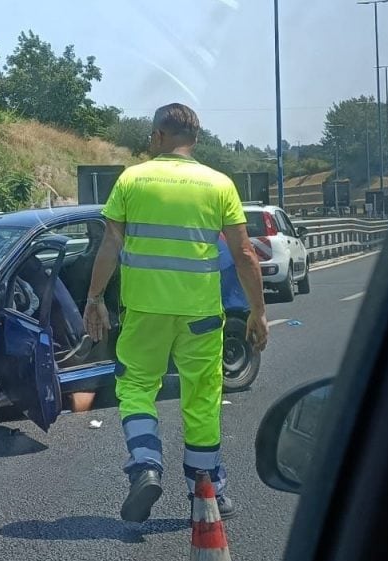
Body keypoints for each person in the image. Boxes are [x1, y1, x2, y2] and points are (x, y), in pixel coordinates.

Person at [83, 104, 268, 523]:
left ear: (156, 136)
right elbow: (243, 254)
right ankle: (207, 491)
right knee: (201, 398)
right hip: (200, 313)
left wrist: (94, 298)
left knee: (135, 389)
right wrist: (258, 311)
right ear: (196, 140)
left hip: (145, 310)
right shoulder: (218, 184)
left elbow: (109, 245)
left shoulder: (132, 179)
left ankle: (146, 465)